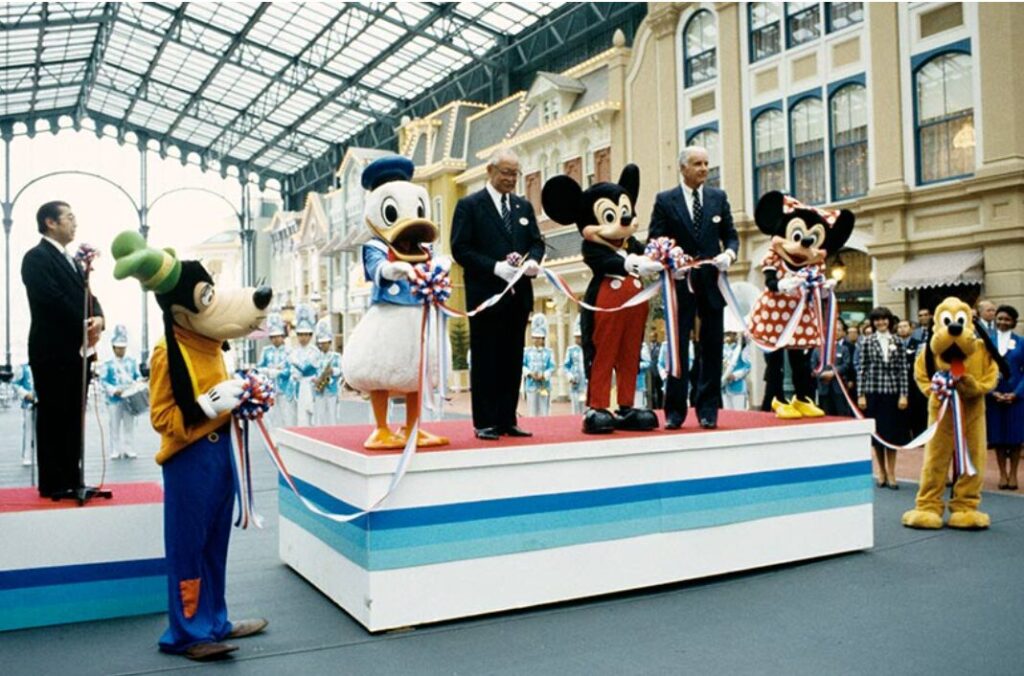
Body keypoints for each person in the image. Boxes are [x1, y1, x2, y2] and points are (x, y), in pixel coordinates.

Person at [451, 148, 545, 440]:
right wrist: (495, 267)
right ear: (490, 171)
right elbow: (460, 249)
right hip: (486, 296)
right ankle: (485, 421)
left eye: (515, 173)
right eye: (506, 172)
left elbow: (537, 242)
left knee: (511, 359)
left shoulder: (522, 207)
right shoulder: (470, 205)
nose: (511, 179)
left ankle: (507, 418)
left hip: (518, 297)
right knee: (486, 358)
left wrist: (533, 261)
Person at [648, 146, 738, 430]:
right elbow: (654, 239)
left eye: (707, 164)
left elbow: (731, 236)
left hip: (712, 283)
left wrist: (729, 255)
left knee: (711, 347)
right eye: (697, 164)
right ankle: (674, 410)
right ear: (683, 168)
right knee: (677, 346)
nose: (703, 169)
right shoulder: (665, 200)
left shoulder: (718, 198)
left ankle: (708, 408)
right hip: (679, 284)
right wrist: (668, 262)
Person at [21, 200, 104, 497]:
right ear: (50, 222)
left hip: (76, 354)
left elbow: (88, 295)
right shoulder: (36, 258)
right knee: (54, 413)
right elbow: (51, 300)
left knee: (73, 415)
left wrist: (99, 318)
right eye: (69, 217)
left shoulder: (73, 261)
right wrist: (85, 321)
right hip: (51, 351)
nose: (75, 222)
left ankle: (73, 477)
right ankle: (53, 483)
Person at [856, 307, 909, 489]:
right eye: (877, 320)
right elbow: (861, 368)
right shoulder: (866, 341)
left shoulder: (898, 341)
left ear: (889, 321)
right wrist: (861, 394)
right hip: (873, 392)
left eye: (884, 319)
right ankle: (881, 472)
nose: (881, 323)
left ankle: (892, 472)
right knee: (878, 435)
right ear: (873, 322)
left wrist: (903, 394)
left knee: (892, 435)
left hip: (893, 393)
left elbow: (903, 370)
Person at [987, 305, 1024, 490]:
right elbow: (981, 370)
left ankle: (1013, 474)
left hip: (1015, 395)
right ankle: (1002, 474)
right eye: (1000, 318)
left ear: (1013, 322)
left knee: (1015, 438)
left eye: (1007, 319)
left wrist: (1016, 393)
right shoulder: (987, 342)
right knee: (998, 437)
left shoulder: (1021, 342)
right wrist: (991, 392)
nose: (1003, 322)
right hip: (994, 395)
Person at [100, 324, 144, 459]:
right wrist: (113, 390)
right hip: (114, 400)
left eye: (123, 348)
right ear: (113, 348)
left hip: (129, 399)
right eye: (119, 348)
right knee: (114, 426)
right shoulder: (107, 363)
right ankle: (115, 450)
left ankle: (129, 448)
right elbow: (103, 381)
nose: (121, 350)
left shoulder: (132, 361)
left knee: (129, 425)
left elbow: (137, 377)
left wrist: (138, 384)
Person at [256, 313, 292, 428]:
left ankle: (287, 438)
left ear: (282, 336)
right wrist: (268, 371)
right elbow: (259, 368)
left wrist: (279, 372)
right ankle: (272, 439)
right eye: (272, 337)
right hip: (270, 389)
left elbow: (290, 370)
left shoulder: (288, 351)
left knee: (286, 415)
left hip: (284, 388)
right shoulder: (266, 351)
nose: (275, 339)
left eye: (278, 336)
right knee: (270, 416)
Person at [811, 318, 853, 417]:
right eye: (834, 330)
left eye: (839, 330)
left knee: (842, 414)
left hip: (839, 388)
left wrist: (834, 373)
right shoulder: (818, 349)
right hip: (823, 388)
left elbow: (846, 365)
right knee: (826, 415)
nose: (837, 333)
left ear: (843, 332)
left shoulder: (844, 349)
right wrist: (821, 375)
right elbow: (813, 366)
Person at [289, 305, 319, 427]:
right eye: (300, 334)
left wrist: (295, 364)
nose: (303, 337)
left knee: (312, 415)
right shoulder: (294, 351)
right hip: (297, 385)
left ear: (311, 335)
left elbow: (307, 368)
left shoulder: (314, 351)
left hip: (310, 385)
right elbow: (291, 370)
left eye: (306, 334)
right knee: (299, 417)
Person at [897, 319, 928, 437]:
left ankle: (920, 435)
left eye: (905, 326)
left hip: (915, 383)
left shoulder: (919, 344)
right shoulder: (894, 344)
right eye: (899, 327)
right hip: (900, 383)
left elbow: (919, 362)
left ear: (911, 328)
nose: (902, 329)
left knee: (918, 410)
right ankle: (904, 437)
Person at [522, 315, 554, 417]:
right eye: (534, 338)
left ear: (543, 339)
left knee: (544, 411)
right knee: (532, 412)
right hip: (531, 385)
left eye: (539, 338)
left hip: (544, 385)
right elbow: (522, 365)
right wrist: (529, 373)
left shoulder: (549, 352)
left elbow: (552, 366)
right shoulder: (526, 352)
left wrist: (544, 375)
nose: (536, 340)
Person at [313, 319, 342, 426]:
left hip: (331, 390)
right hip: (319, 390)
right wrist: (314, 379)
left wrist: (332, 371)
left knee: (332, 416)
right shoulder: (315, 357)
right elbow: (312, 371)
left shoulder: (336, 357)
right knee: (320, 416)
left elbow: (340, 371)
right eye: (320, 343)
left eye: (325, 343)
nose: (322, 345)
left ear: (330, 342)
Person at [13, 362, 36, 466]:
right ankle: (27, 456)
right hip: (29, 404)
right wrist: (25, 394)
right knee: (28, 430)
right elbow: (15, 384)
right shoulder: (23, 367)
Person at [720, 331, 750, 410]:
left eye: (730, 334)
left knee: (739, 414)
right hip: (724, 387)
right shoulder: (723, 348)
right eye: (726, 334)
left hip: (737, 387)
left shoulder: (741, 349)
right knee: (728, 416)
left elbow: (747, 367)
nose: (728, 336)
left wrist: (734, 375)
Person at [563, 319, 586, 415]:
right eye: (576, 337)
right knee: (575, 410)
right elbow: (566, 366)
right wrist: (570, 377)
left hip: (586, 384)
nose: (578, 339)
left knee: (586, 409)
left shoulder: (588, 349)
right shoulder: (571, 350)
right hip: (575, 384)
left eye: (580, 337)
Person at [644, 329, 663, 409]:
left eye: (654, 336)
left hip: (657, 372)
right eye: (651, 336)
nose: (652, 338)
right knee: (649, 391)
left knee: (658, 390)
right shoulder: (646, 346)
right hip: (648, 372)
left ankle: (660, 406)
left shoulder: (660, 346)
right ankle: (651, 407)